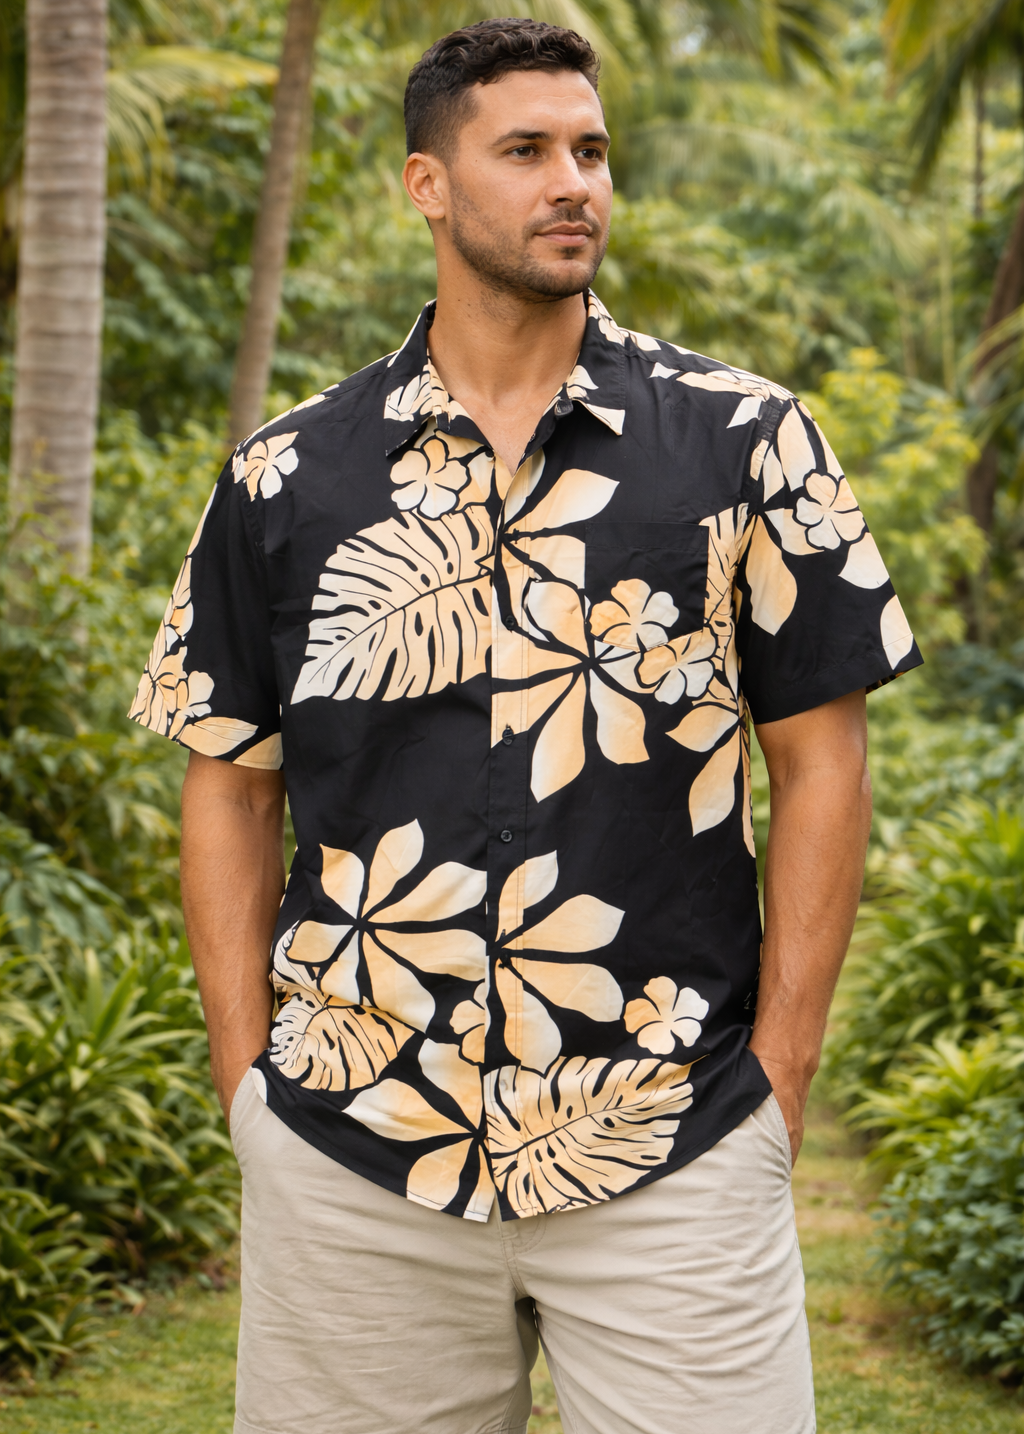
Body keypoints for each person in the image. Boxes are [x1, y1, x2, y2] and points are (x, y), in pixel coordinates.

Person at [130, 17, 921, 1434]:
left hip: (672, 1131)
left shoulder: (746, 441)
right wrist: (246, 1081)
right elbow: (230, 781)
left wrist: (780, 1082)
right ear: (427, 186)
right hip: (355, 1146)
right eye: (529, 151)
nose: (577, 183)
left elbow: (821, 763)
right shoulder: (286, 475)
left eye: (594, 150)